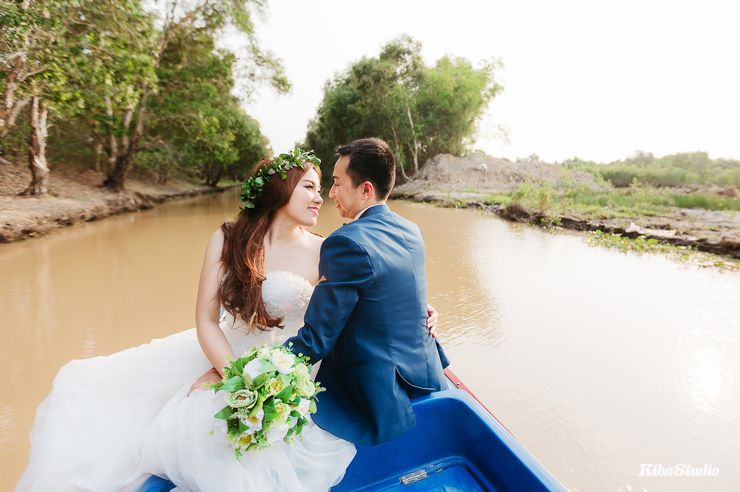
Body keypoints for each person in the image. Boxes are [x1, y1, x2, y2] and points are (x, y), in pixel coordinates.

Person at [17, 146, 441, 491]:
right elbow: (206, 320)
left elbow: (358, 302)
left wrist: (419, 312)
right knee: (176, 423)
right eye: (310, 187)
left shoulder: (326, 247)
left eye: (327, 185)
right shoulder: (226, 238)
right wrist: (234, 374)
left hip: (294, 364)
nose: (322, 197)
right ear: (280, 190)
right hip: (230, 351)